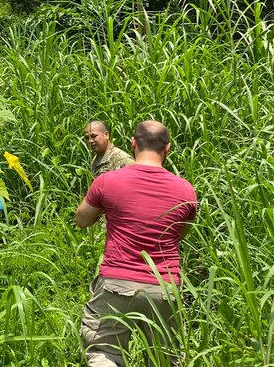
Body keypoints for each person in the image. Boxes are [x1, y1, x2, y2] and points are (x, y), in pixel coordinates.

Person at [75, 120, 197, 367]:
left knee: (104, 353)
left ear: (132, 144)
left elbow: (82, 220)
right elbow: (180, 234)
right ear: (168, 148)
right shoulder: (186, 191)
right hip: (164, 287)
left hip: (116, 284)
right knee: (166, 360)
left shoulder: (107, 182)